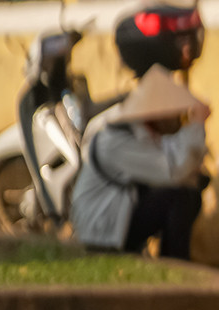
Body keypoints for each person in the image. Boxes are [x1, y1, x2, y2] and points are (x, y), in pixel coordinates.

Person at [70, 65, 209, 258]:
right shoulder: (116, 140)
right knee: (180, 198)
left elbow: (176, 158)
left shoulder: (142, 134)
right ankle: (176, 265)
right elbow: (174, 170)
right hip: (100, 228)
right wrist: (196, 125)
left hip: (116, 217)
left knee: (190, 194)